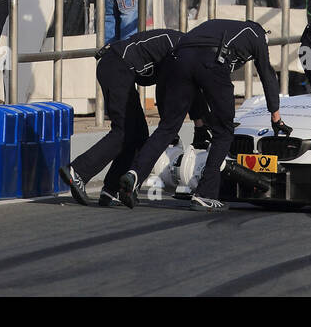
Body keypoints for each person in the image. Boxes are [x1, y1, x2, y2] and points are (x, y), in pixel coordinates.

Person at [118, 19, 284, 212]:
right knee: (224, 131)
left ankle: (134, 174)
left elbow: (196, 80)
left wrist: (201, 122)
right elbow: (267, 73)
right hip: (211, 59)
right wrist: (276, 115)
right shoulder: (256, 34)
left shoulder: (215, 26)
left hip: (178, 60)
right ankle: (205, 194)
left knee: (167, 127)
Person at [61, 29, 182, 207]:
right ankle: (78, 170)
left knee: (139, 135)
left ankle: (112, 189)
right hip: (116, 66)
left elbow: (165, 91)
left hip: (119, 69)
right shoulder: (178, 49)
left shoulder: (182, 50)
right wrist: (169, 127)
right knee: (123, 132)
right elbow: (164, 92)